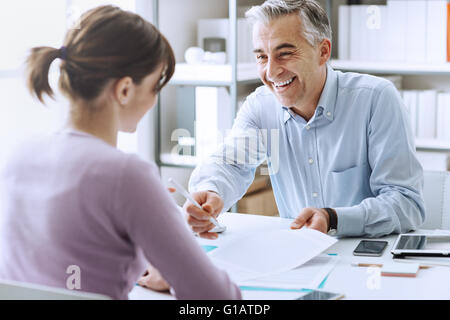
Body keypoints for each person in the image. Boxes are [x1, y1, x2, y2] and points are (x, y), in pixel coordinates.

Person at [0, 5, 241, 300]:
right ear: (125, 90)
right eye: (155, 86)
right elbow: (217, 298)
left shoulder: (18, 155)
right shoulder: (127, 175)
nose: (154, 101)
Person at [184, 0, 425, 239]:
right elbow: (230, 163)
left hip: (366, 257)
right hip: (300, 256)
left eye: (285, 54)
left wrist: (333, 219)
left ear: (323, 52)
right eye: (261, 57)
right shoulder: (260, 106)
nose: (270, 72)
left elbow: (406, 204)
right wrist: (210, 190)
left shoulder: (376, 99)